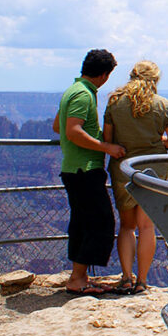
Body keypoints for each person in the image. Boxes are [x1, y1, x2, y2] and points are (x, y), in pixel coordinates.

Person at [103, 60, 168, 295]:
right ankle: (142, 281)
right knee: (147, 227)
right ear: (155, 79)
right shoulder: (163, 105)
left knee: (127, 226)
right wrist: (157, 141)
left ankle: (126, 277)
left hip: (123, 170)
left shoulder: (115, 101)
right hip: (154, 173)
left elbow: (109, 139)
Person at [52, 49, 125, 295]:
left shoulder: (72, 90)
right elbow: (72, 131)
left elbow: (57, 126)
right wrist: (107, 147)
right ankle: (77, 280)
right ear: (104, 74)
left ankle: (79, 276)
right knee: (101, 222)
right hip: (85, 169)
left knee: (82, 223)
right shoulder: (84, 95)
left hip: (73, 168)